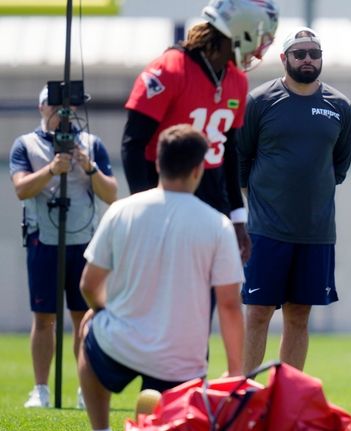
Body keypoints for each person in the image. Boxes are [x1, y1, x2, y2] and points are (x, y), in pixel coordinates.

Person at [77, 124, 246, 431]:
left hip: (121, 344)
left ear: (157, 163)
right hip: (183, 362)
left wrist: (100, 309)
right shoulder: (218, 225)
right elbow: (230, 305)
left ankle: (101, 428)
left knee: (88, 329)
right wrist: (236, 372)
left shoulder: (121, 211)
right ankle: (157, 416)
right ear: (198, 170)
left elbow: (88, 285)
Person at [121, 0, 280, 263]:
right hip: (164, 186)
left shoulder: (237, 80)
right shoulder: (168, 69)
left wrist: (238, 216)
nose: (261, 47)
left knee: (205, 292)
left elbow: (229, 150)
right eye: (260, 37)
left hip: (211, 189)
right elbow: (133, 143)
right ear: (242, 29)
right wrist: (145, 206)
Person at [237, 26, 351, 373]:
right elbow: (241, 159)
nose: (307, 59)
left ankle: (285, 399)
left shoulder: (339, 106)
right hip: (265, 231)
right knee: (258, 313)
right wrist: (262, 199)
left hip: (315, 232)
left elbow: (339, 165)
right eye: (300, 53)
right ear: (284, 58)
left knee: (299, 315)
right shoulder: (259, 101)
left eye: (314, 53)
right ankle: (243, 393)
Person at [9, 85, 118, 409]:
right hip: (43, 239)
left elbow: (110, 193)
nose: (65, 113)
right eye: (58, 106)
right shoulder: (25, 145)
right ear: (43, 107)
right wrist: (51, 170)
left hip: (83, 242)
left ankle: (86, 388)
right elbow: (21, 189)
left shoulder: (91, 144)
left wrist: (88, 167)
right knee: (44, 317)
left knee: (83, 316)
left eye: (71, 107)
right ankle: (41, 389)